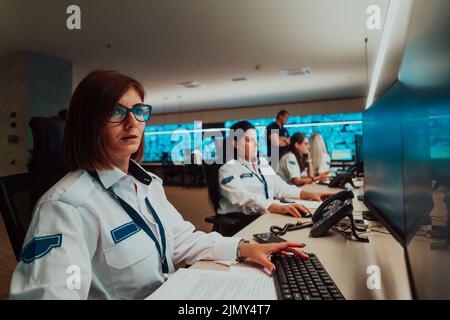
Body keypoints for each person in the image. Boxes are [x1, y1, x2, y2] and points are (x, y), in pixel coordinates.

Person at [10, 70, 307, 300]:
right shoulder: (65, 207)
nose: (132, 122)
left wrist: (243, 248)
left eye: (139, 111)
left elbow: (181, 241)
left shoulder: (148, 183)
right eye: (116, 111)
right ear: (89, 122)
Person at [218, 121, 331, 218]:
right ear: (235, 143)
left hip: (266, 214)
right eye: (249, 140)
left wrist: (311, 195)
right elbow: (242, 197)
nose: (256, 144)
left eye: (256, 139)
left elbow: (281, 187)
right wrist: (278, 208)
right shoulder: (228, 169)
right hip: (242, 221)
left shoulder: (262, 164)